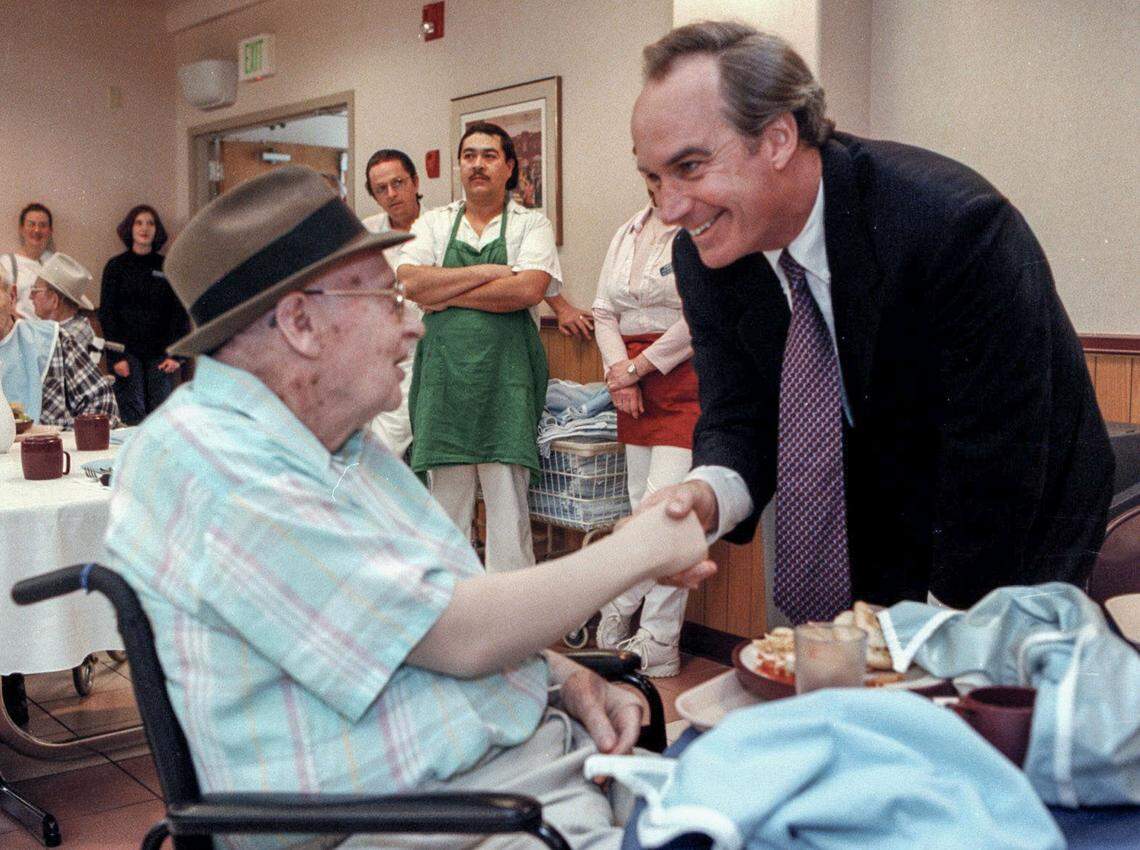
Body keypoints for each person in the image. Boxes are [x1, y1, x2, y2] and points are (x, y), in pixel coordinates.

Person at [101, 165, 712, 850]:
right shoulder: (209, 466)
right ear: (301, 321)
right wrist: (643, 545)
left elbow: (444, 600)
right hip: (442, 822)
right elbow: (458, 633)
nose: (412, 329)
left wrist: (563, 674)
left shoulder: (339, 445)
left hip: (528, 775)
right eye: (392, 300)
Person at [630, 21, 1114, 618]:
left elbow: (997, 460)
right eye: (653, 178)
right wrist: (705, 496)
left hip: (1018, 532)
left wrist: (935, 639)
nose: (670, 209)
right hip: (874, 517)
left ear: (778, 139)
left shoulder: (951, 225)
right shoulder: (707, 254)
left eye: (691, 167)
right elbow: (740, 414)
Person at [396, 125, 555, 572]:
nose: (477, 164)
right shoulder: (434, 223)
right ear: (459, 166)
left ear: (509, 167)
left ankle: (513, 632)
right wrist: (490, 271)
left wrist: (442, 295)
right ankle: (450, 623)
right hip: (443, 384)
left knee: (509, 511)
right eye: (468, 155)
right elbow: (410, 282)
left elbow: (527, 290)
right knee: (444, 519)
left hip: (507, 384)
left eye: (488, 155)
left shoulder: (531, 224)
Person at [592, 196, 698, 677]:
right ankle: (637, 622)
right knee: (639, 506)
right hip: (630, 381)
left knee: (664, 513)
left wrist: (636, 369)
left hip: (682, 375)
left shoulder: (698, 228)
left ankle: (654, 633)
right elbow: (602, 309)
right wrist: (620, 376)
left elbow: (698, 314)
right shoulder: (627, 230)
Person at [99, 205, 187, 424]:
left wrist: (176, 355)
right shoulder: (116, 266)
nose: (145, 228)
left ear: (157, 230)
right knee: (133, 416)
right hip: (127, 355)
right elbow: (107, 314)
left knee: (162, 417)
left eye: (150, 223)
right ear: (130, 228)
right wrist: (116, 357)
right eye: (139, 222)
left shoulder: (167, 266)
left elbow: (178, 313)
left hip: (160, 355)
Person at [0, 280, 119, 428]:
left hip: (51, 446)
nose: (32, 297)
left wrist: (62, 437)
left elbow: (102, 404)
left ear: (12, 296)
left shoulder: (54, 340)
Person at [29, 253, 98, 351]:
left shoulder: (71, 336)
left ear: (54, 300)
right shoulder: (72, 327)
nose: (30, 297)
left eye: (35, 290)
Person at [3, 203, 55, 317]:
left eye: (43, 225)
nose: (37, 230)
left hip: (50, 330)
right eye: (31, 224)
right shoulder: (6, 264)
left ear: (50, 230)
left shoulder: (55, 263)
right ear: (21, 229)